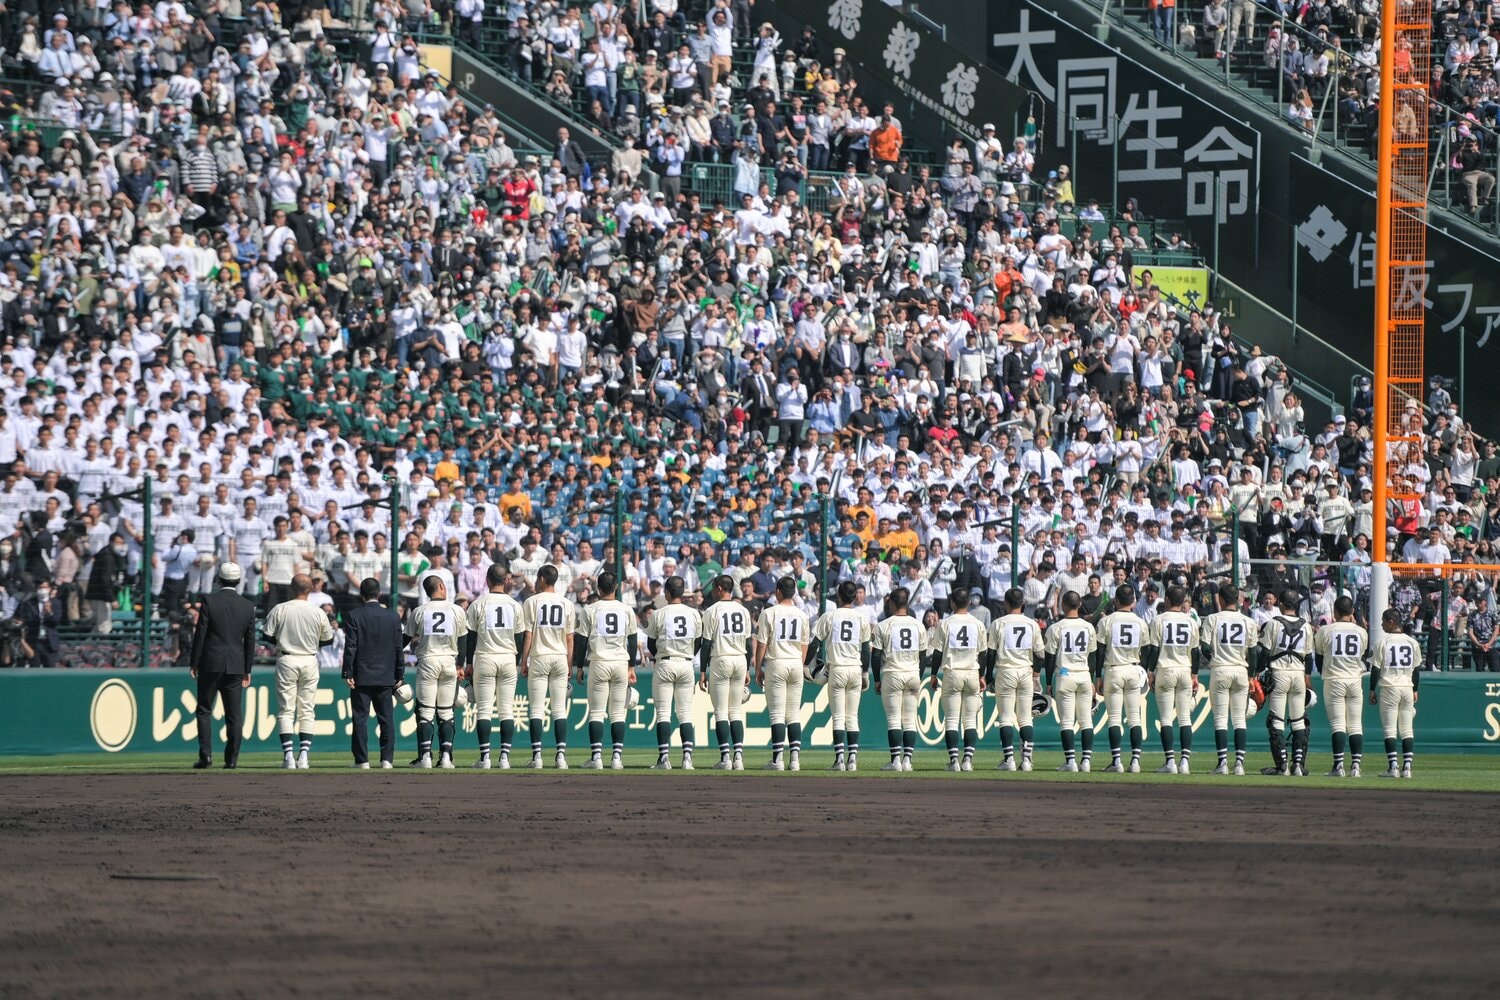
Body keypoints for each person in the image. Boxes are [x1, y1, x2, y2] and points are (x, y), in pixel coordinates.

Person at [262, 573, 336, 770]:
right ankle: (303, 756)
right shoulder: (317, 612)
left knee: (286, 710)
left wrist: (282, 639)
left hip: (287, 658)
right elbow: (328, 640)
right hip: (309, 659)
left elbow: (266, 635)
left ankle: (288, 757)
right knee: (307, 710)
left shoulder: (280, 609)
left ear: (291, 588)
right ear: (310, 588)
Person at [188, 563, 256, 769]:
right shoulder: (247, 605)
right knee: (234, 715)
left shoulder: (209, 601)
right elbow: (250, 640)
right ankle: (232, 759)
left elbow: (200, 634)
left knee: (204, 710)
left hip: (211, 662)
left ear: (219, 579)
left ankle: (206, 756)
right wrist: (247, 669)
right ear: (238, 581)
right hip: (235, 665)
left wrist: (194, 661)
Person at [404, 575, 470, 769]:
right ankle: (446, 757)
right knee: (446, 711)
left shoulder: (419, 611)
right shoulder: (457, 610)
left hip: (428, 661)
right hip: (449, 661)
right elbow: (463, 641)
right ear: (441, 586)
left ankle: (425, 757)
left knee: (425, 712)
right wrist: (460, 666)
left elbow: (405, 638)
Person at [577, 571, 638, 770]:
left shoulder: (589, 609)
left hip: (599, 661)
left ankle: (596, 758)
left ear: (598, 588)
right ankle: (617, 759)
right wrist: (631, 667)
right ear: (616, 588)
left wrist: (578, 666)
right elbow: (633, 640)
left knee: (596, 712)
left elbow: (581, 640)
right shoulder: (626, 609)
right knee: (618, 713)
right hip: (621, 662)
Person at [341, 577, 404, 770]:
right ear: (379, 594)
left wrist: (347, 671)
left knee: (360, 718)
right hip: (386, 674)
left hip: (362, 674)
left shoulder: (354, 615)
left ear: (361, 595)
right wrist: (400, 674)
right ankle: (387, 759)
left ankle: (362, 760)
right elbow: (398, 647)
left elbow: (351, 646)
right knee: (386, 719)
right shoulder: (393, 616)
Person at [464, 565, 522, 769]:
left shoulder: (478, 604)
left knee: (484, 711)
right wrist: (517, 663)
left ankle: (485, 758)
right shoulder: (515, 605)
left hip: (485, 657)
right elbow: (520, 637)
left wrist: (468, 664)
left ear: (487, 581)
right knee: (507, 711)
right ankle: (504, 757)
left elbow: (470, 637)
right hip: (508, 657)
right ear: (506, 580)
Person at [926, 586, 989, 772]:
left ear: (952, 602)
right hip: (971, 672)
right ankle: (968, 760)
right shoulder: (977, 623)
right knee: (970, 721)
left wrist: (933, 674)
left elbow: (937, 652)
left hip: (952, 672)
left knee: (952, 720)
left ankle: (954, 761)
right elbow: (983, 654)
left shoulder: (945, 623)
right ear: (969, 602)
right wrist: (982, 675)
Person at [520, 565, 577, 769]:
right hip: (560, 656)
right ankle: (561, 757)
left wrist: (523, 661)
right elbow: (570, 638)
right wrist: (570, 664)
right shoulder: (567, 603)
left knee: (536, 709)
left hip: (540, 656)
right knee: (559, 710)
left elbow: (528, 634)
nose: (536, 582)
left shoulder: (532, 601)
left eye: (537, 578)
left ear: (543, 578)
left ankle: (537, 757)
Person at [1200, 584, 1260, 775]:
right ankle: (1240, 764)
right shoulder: (1248, 621)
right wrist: (1252, 674)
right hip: (1241, 670)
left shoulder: (1212, 619)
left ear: (1221, 600)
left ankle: (1222, 764)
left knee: (1220, 720)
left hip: (1220, 669)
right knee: (1240, 720)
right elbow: (1253, 651)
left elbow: (1204, 647)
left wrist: (1214, 658)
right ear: (1239, 600)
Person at [813, 580, 872, 771]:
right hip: (855, 668)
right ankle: (852, 760)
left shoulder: (829, 616)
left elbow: (814, 644)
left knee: (838, 717)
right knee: (852, 716)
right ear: (855, 596)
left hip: (836, 668)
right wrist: (865, 673)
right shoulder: (862, 618)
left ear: (838, 595)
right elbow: (866, 650)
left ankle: (839, 760)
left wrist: (807, 666)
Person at [753, 576, 810, 771]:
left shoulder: (769, 613)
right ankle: (795, 760)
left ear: (778, 591)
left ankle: (777, 760)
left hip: (776, 662)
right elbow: (805, 645)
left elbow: (762, 643)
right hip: (795, 663)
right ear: (793, 592)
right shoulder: (802, 614)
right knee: (793, 715)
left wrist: (758, 668)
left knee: (777, 715)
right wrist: (799, 664)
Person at [644, 575, 701, 769]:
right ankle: (687, 758)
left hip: (665, 662)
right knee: (685, 714)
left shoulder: (659, 613)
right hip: (686, 663)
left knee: (663, 714)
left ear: (667, 592)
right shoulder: (693, 613)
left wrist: (661, 654)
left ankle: (664, 759)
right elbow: (699, 642)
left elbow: (651, 643)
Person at [700, 574, 753, 770]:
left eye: (714, 588)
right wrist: (747, 668)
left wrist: (703, 671)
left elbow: (706, 644)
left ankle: (725, 758)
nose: (713, 591)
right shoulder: (743, 610)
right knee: (736, 711)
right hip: (740, 659)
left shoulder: (712, 610)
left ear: (720, 588)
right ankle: (738, 757)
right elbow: (749, 642)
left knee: (721, 712)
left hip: (720, 658)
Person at [1145, 585, 1200, 774]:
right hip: (1184, 669)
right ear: (1183, 600)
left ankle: (1170, 762)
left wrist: (1150, 672)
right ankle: (1185, 761)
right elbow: (1196, 651)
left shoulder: (1158, 620)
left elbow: (1153, 649)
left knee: (1166, 718)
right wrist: (1194, 674)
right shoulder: (1191, 620)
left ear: (1167, 599)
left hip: (1165, 669)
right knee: (1185, 718)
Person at [988, 587, 1044, 771]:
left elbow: (991, 652)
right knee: (1026, 719)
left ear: (1005, 603)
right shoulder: (1032, 624)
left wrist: (989, 676)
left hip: (1006, 671)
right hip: (1025, 671)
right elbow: (1040, 655)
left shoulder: (998, 623)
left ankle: (1009, 760)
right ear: (1023, 604)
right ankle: (1027, 760)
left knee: (1005, 718)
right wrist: (1036, 675)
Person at [1257, 589, 1312, 776]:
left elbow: (1264, 651)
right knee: (1299, 721)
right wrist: (1307, 678)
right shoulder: (1306, 626)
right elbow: (1309, 657)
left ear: (1281, 603)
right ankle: (1298, 764)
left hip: (1279, 672)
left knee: (1276, 721)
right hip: (1298, 674)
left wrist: (1258, 672)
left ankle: (1282, 766)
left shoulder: (1273, 623)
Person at [1095, 584, 1149, 772]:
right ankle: (1135, 761)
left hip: (1114, 669)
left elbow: (1100, 651)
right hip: (1134, 669)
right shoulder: (1140, 622)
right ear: (1133, 601)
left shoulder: (1106, 621)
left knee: (1115, 719)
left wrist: (1098, 676)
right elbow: (1148, 649)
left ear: (1116, 601)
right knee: (1135, 718)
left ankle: (1116, 762)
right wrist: (1146, 669)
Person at [1312, 595, 1367, 777]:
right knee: (1356, 725)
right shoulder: (1361, 632)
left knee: (1338, 725)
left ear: (1335, 612)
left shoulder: (1325, 631)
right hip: (1354, 679)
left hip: (1334, 679)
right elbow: (1363, 656)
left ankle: (1338, 766)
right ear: (1352, 612)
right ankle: (1356, 766)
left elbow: (1319, 657)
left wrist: (1323, 673)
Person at [872, 585, 924, 772]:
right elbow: (923, 655)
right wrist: (918, 673)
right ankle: (907, 761)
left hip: (893, 673)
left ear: (892, 603)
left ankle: (895, 761)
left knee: (894, 719)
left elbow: (876, 655)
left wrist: (877, 679)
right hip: (912, 673)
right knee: (910, 720)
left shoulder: (884, 625)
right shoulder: (918, 625)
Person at [1046, 591, 1099, 772]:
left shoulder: (1056, 627)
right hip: (1084, 675)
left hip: (1065, 674)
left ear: (1063, 605)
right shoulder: (1088, 627)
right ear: (1079, 605)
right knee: (1086, 721)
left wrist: (1049, 683)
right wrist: (1092, 679)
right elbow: (1093, 657)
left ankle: (1070, 762)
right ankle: (1086, 761)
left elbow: (1050, 657)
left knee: (1067, 722)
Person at [1371, 607, 1421, 779]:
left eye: (1384, 621)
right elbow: (1416, 670)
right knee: (1407, 730)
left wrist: (1371, 689)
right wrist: (1415, 689)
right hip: (1407, 686)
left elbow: (1375, 669)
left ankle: (1393, 767)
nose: (1382, 624)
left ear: (1391, 622)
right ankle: (1407, 768)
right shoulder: (1412, 642)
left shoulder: (1383, 642)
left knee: (1390, 730)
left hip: (1389, 686)